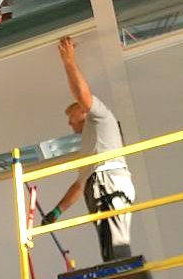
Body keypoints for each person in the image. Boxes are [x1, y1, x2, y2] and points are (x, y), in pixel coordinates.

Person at [42, 36, 135, 262]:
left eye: (71, 115)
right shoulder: (92, 145)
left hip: (107, 181)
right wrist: (56, 212)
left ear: (84, 111)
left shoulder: (102, 117)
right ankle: (117, 270)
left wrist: (69, 61)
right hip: (99, 184)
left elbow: (82, 95)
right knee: (110, 243)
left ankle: (121, 273)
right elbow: (79, 184)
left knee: (114, 243)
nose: (69, 122)